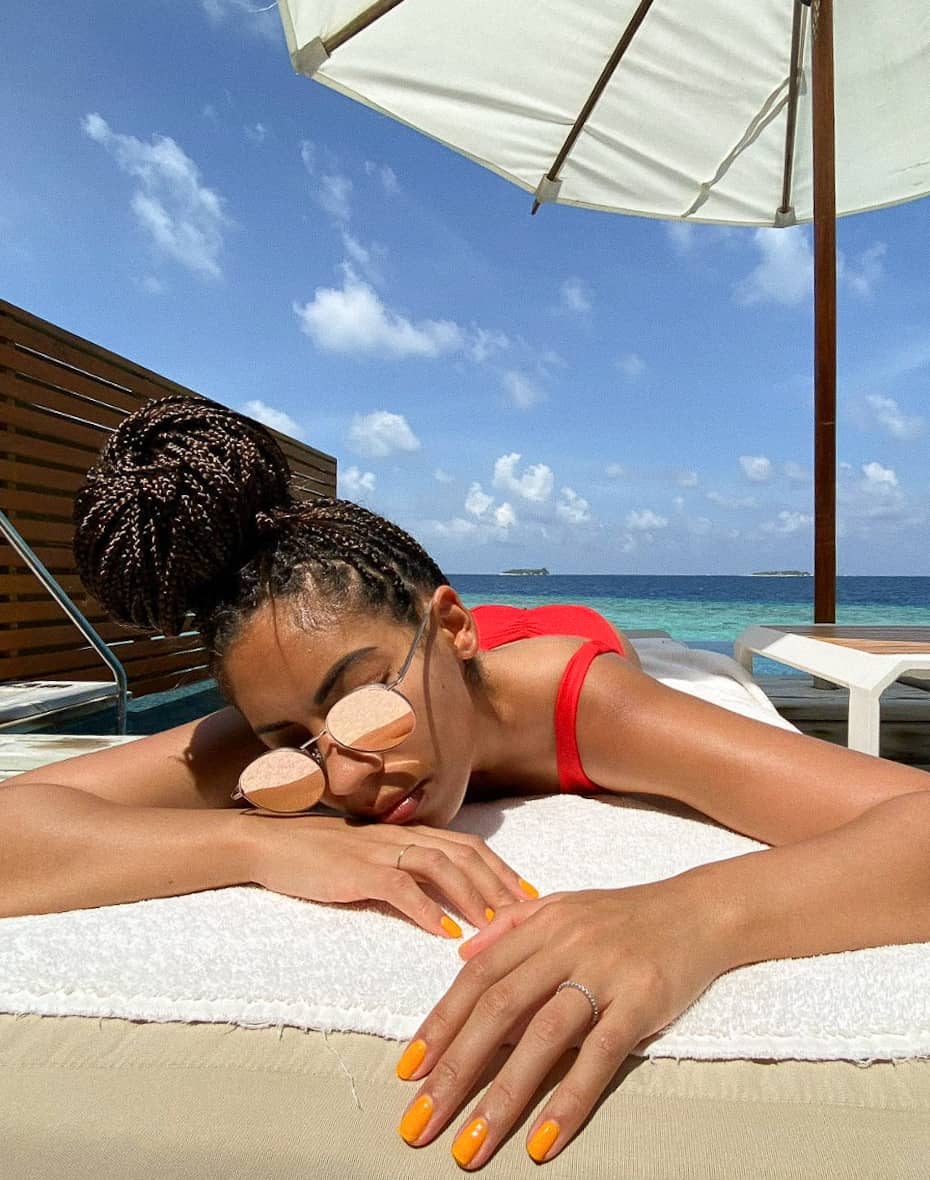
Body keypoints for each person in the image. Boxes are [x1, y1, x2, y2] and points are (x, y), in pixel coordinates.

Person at [3, 396, 930, 1171]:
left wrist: (694, 916)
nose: (351, 774)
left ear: (451, 627)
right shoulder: (291, 734)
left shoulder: (591, 706)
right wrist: (255, 839)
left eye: (366, 701)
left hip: (557, 643)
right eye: (295, 742)